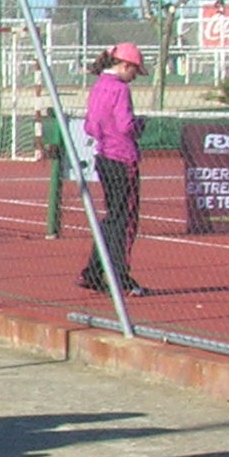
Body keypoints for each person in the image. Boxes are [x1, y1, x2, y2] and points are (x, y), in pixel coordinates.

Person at [80, 42, 149, 297]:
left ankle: (94, 271)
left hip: (104, 157)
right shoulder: (120, 89)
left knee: (113, 217)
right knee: (125, 219)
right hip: (122, 158)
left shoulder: (99, 86)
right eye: (135, 71)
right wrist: (139, 125)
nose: (134, 77)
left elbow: (90, 126)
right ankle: (119, 275)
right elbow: (125, 124)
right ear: (126, 65)